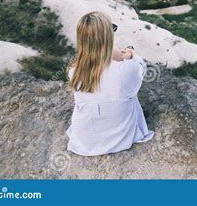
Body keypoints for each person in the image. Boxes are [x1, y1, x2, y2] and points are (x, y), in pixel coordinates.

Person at [66, 11, 154, 156]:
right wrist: (130, 55)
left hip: (86, 141)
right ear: (108, 37)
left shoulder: (74, 72)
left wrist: (112, 55)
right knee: (130, 94)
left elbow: (99, 68)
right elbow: (141, 66)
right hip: (119, 139)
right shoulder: (126, 69)